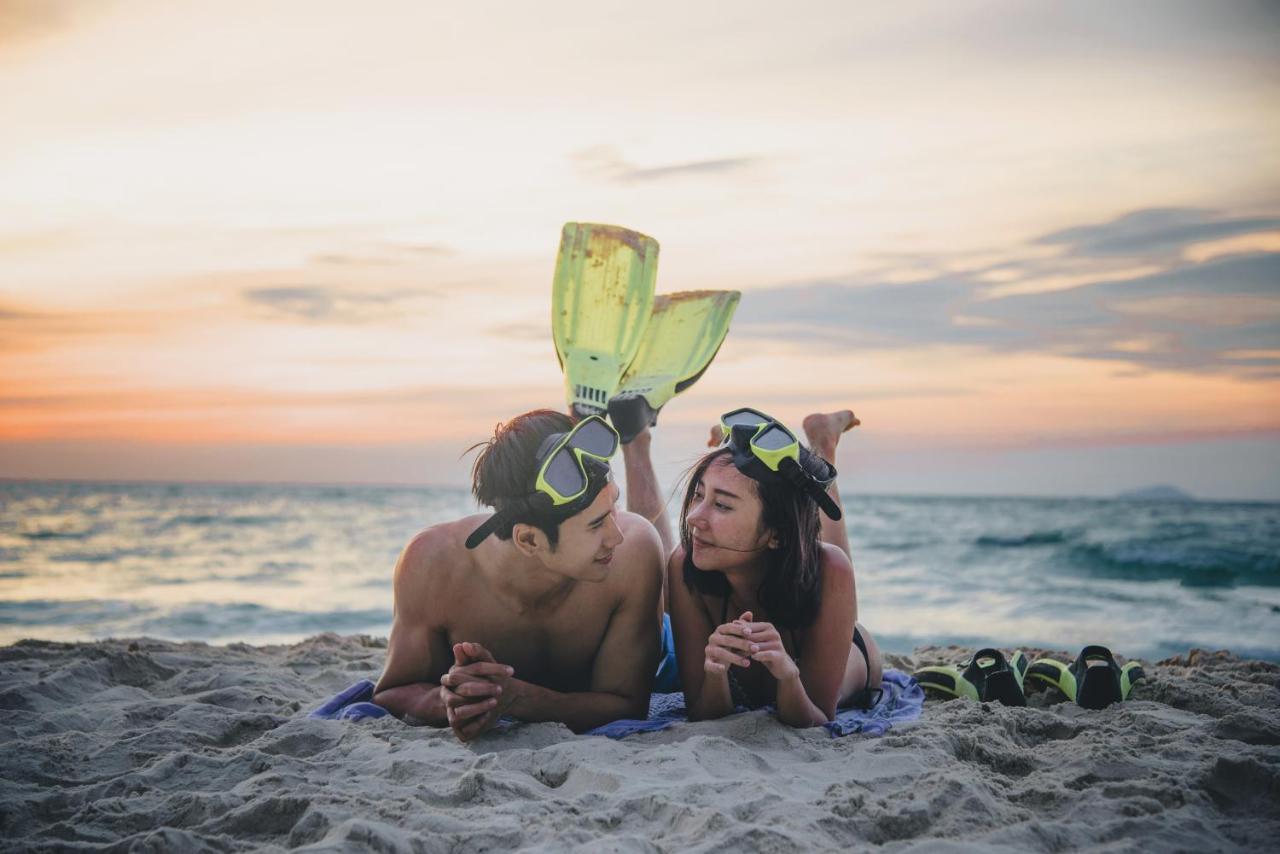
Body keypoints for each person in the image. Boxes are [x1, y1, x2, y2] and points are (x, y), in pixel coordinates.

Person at [372, 410, 664, 741]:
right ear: (528, 539)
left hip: (656, 633)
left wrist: (518, 699)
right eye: (597, 524)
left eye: (613, 507)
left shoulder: (633, 554)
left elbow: (628, 705)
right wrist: (453, 699)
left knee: (671, 572)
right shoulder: (433, 564)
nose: (617, 536)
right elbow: (391, 692)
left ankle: (635, 438)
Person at [632, 407, 883, 728]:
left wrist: (789, 677)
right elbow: (703, 713)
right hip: (789, 566)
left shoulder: (831, 571)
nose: (694, 517)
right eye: (698, 495)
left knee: (825, 557)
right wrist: (714, 672)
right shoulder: (685, 565)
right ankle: (822, 442)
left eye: (722, 505)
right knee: (813, 550)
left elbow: (817, 718)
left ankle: (824, 447)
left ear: (775, 533)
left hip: (848, 653)